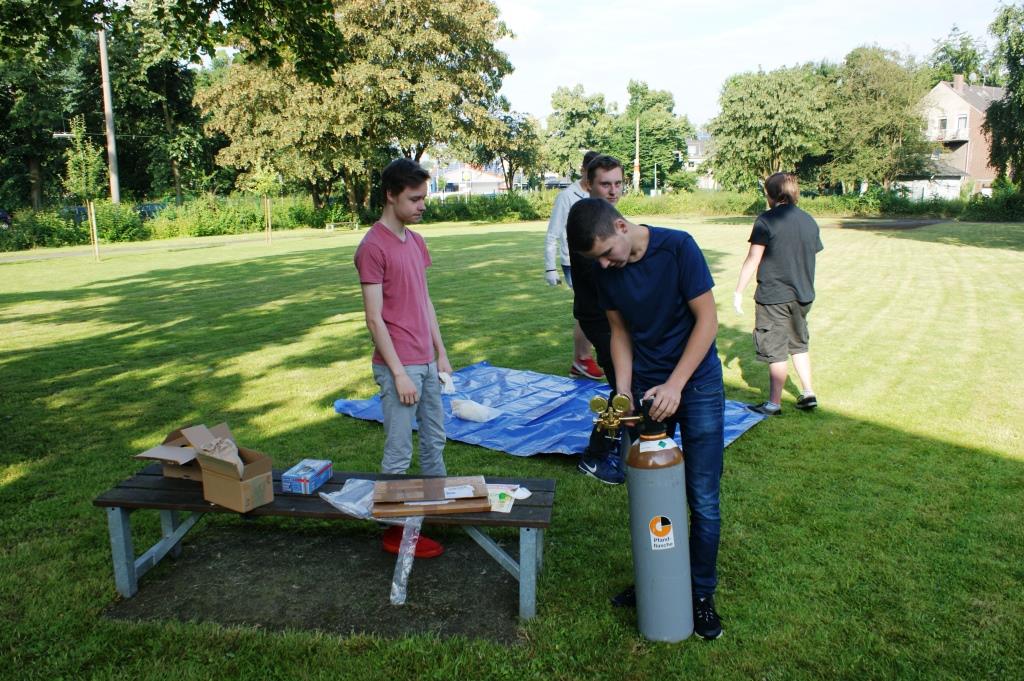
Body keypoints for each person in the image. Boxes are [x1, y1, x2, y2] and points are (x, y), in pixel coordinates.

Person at [566, 198, 726, 640]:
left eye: (605, 252)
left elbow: (708, 321)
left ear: (621, 225)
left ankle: (699, 594)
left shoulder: (678, 248)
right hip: (646, 390)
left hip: (697, 385)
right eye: (595, 259)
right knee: (649, 490)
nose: (603, 263)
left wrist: (675, 385)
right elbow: (620, 333)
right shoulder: (605, 271)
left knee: (702, 497)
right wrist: (622, 389)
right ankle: (658, 578)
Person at [354, 158, 451, 559]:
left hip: (426, 362)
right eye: (414, 199)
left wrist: (441, 354)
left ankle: (435, 512)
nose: (422, 205)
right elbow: (374, 319)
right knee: (398, 451)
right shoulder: (372, 247)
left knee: (435, 440)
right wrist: (399, 375)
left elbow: (424, 301)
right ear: (391, 196)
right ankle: (393, 531)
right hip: (399, 367)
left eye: (424, 198)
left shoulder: (416, 241)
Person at [733, 172, 823, 416]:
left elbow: (753, 259)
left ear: (771, 195)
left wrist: (739, 291)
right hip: (803, 295)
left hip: (774, 295)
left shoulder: (766, 221)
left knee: (776, 347)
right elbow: (809, 254)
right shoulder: (809, 221)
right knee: (799, 344)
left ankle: (773, 403)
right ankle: (808, 392)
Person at [572, 155, 627, 484]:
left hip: (615, 315)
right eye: (605, 184)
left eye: (618, 183)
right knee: (622, 385)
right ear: (588, 184)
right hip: (598, 316)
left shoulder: (613, 217)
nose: (612, 190)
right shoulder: (583, 221)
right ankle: (595, 455)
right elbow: (601, 277)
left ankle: (622, 443)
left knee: (628, 381)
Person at [544, 150, 604, 381]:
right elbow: (553, 234)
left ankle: (583, 359)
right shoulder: (568, 196)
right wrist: (550, 268)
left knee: (595, 308)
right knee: (588, 309)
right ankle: (582, 359)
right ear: (583, 172)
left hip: (598, 259)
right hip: (574, 263)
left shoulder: (600, 194)